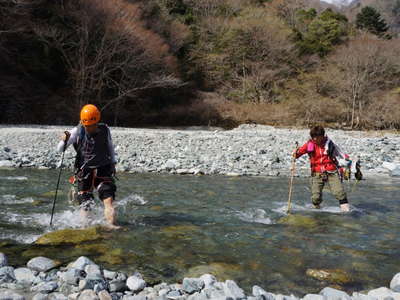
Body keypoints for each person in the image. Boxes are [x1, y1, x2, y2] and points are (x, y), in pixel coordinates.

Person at [57, 104, 120, 228]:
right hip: (84, 172)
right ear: (82, 122)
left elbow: (110, 147)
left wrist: (113, 163)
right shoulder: (76, 131)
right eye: (87, 126)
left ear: (97, 121)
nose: (90, 128)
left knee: (108, 201)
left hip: (103, 169)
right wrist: (64, 140)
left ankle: (111, 227)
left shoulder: (105, 129)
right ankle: (84, 230)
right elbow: (60, 149)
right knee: (86, 204)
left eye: (92, 125)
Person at [293, 126, 351, 212]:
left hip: (332, 171)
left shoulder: (329, 143)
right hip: (316, 172)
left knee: (339, 192)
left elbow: (340, 153)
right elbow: (297, 155)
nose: (315, 139)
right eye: (313, 137)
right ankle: (318, 212)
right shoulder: (309, 144)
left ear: (322, 136)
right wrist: (295, 153)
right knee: (315, 198)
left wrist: (347, 162)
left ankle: (346, 212)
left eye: (317, 137)